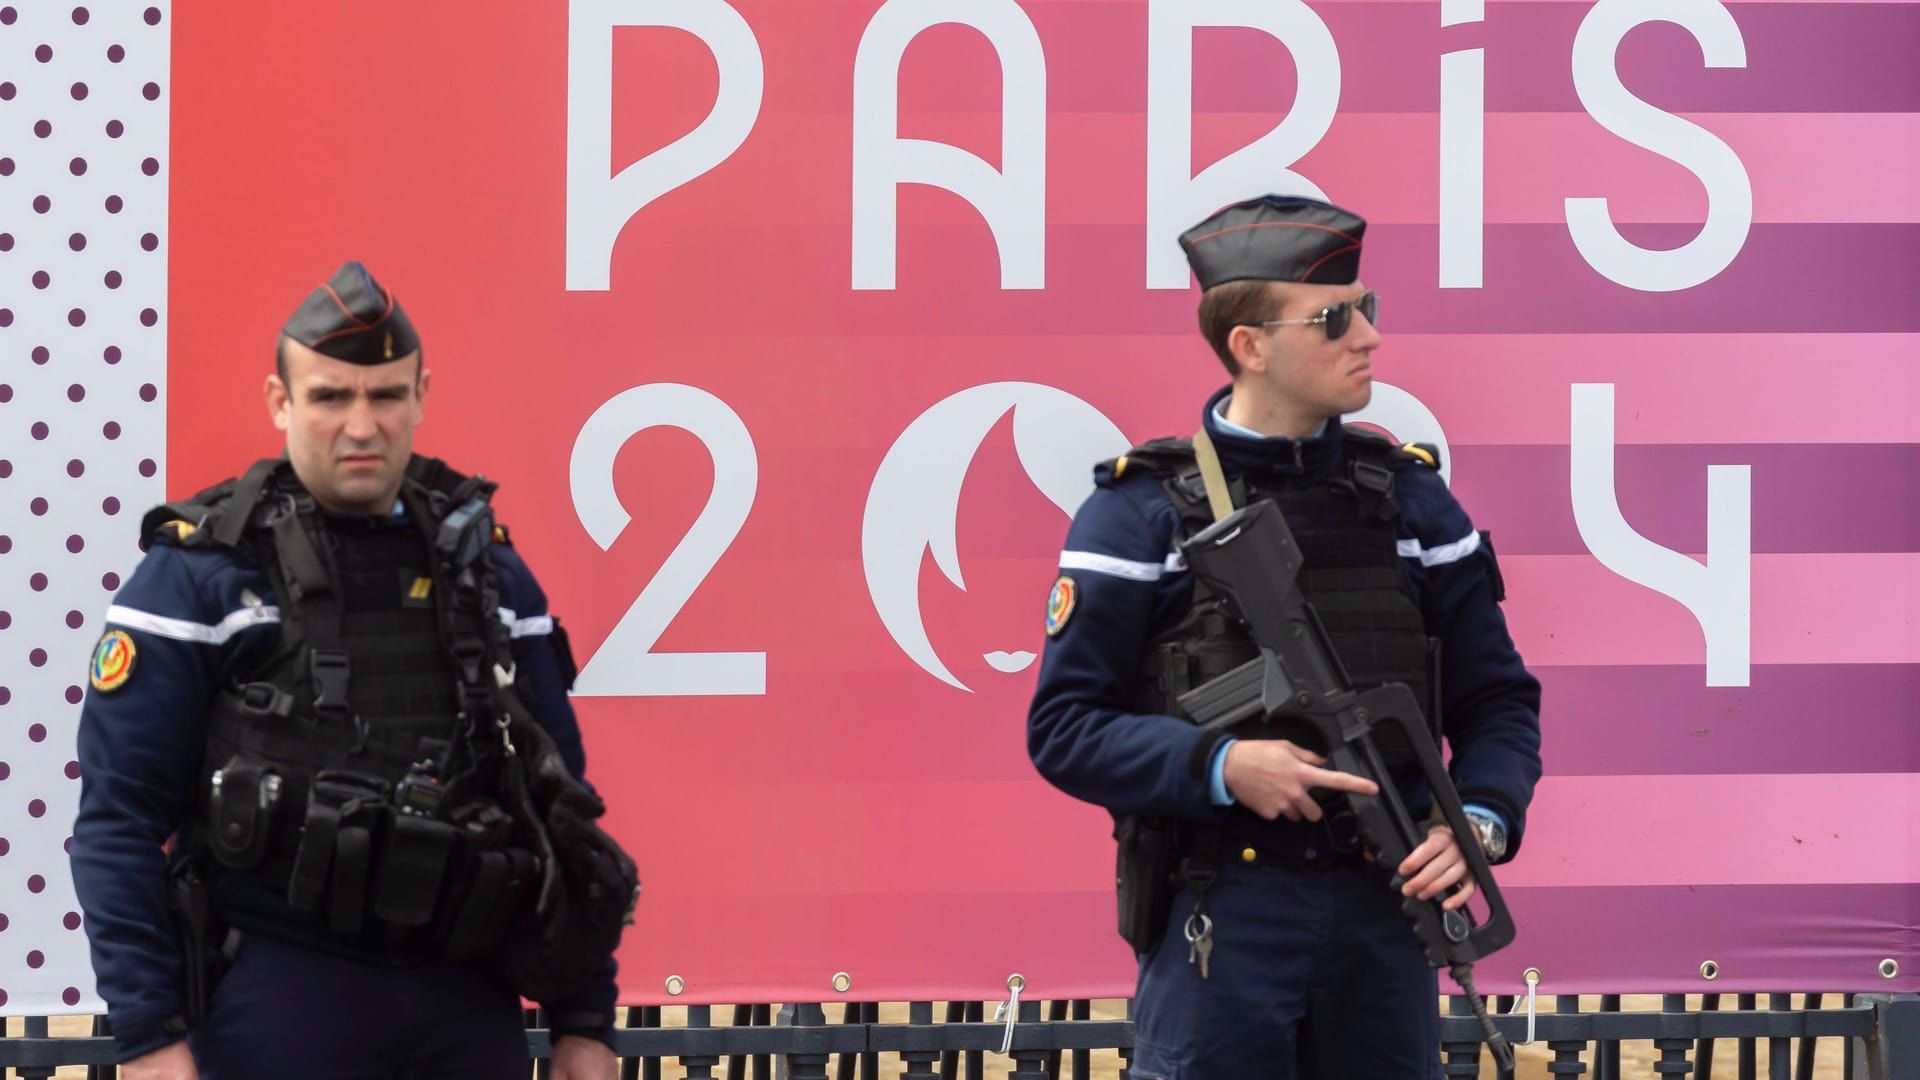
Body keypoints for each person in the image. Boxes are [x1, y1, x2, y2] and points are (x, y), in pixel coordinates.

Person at [70, 262, 631, 1080]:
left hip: (462, 994)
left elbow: (560, 810)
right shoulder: (201, 577)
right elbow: (117, 822)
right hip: (278, 991)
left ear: (421, 395)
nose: (362, 426)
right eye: (331, 397)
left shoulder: (490, 578)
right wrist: (149, 1037)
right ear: (280, 402)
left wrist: (586, 1022)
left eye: (386, 396)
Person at [1026, 195, 1543, 1078]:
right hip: (1223, 913)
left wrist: (1481, 820)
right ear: (1249, 346)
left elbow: (1497, 699)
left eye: (1367, 309)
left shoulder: (1413, 502)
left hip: (1386, 907)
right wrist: (1223, 768)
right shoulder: (1139, 513)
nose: (1368, 338)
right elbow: (1066, 729)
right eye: (1335, 318)